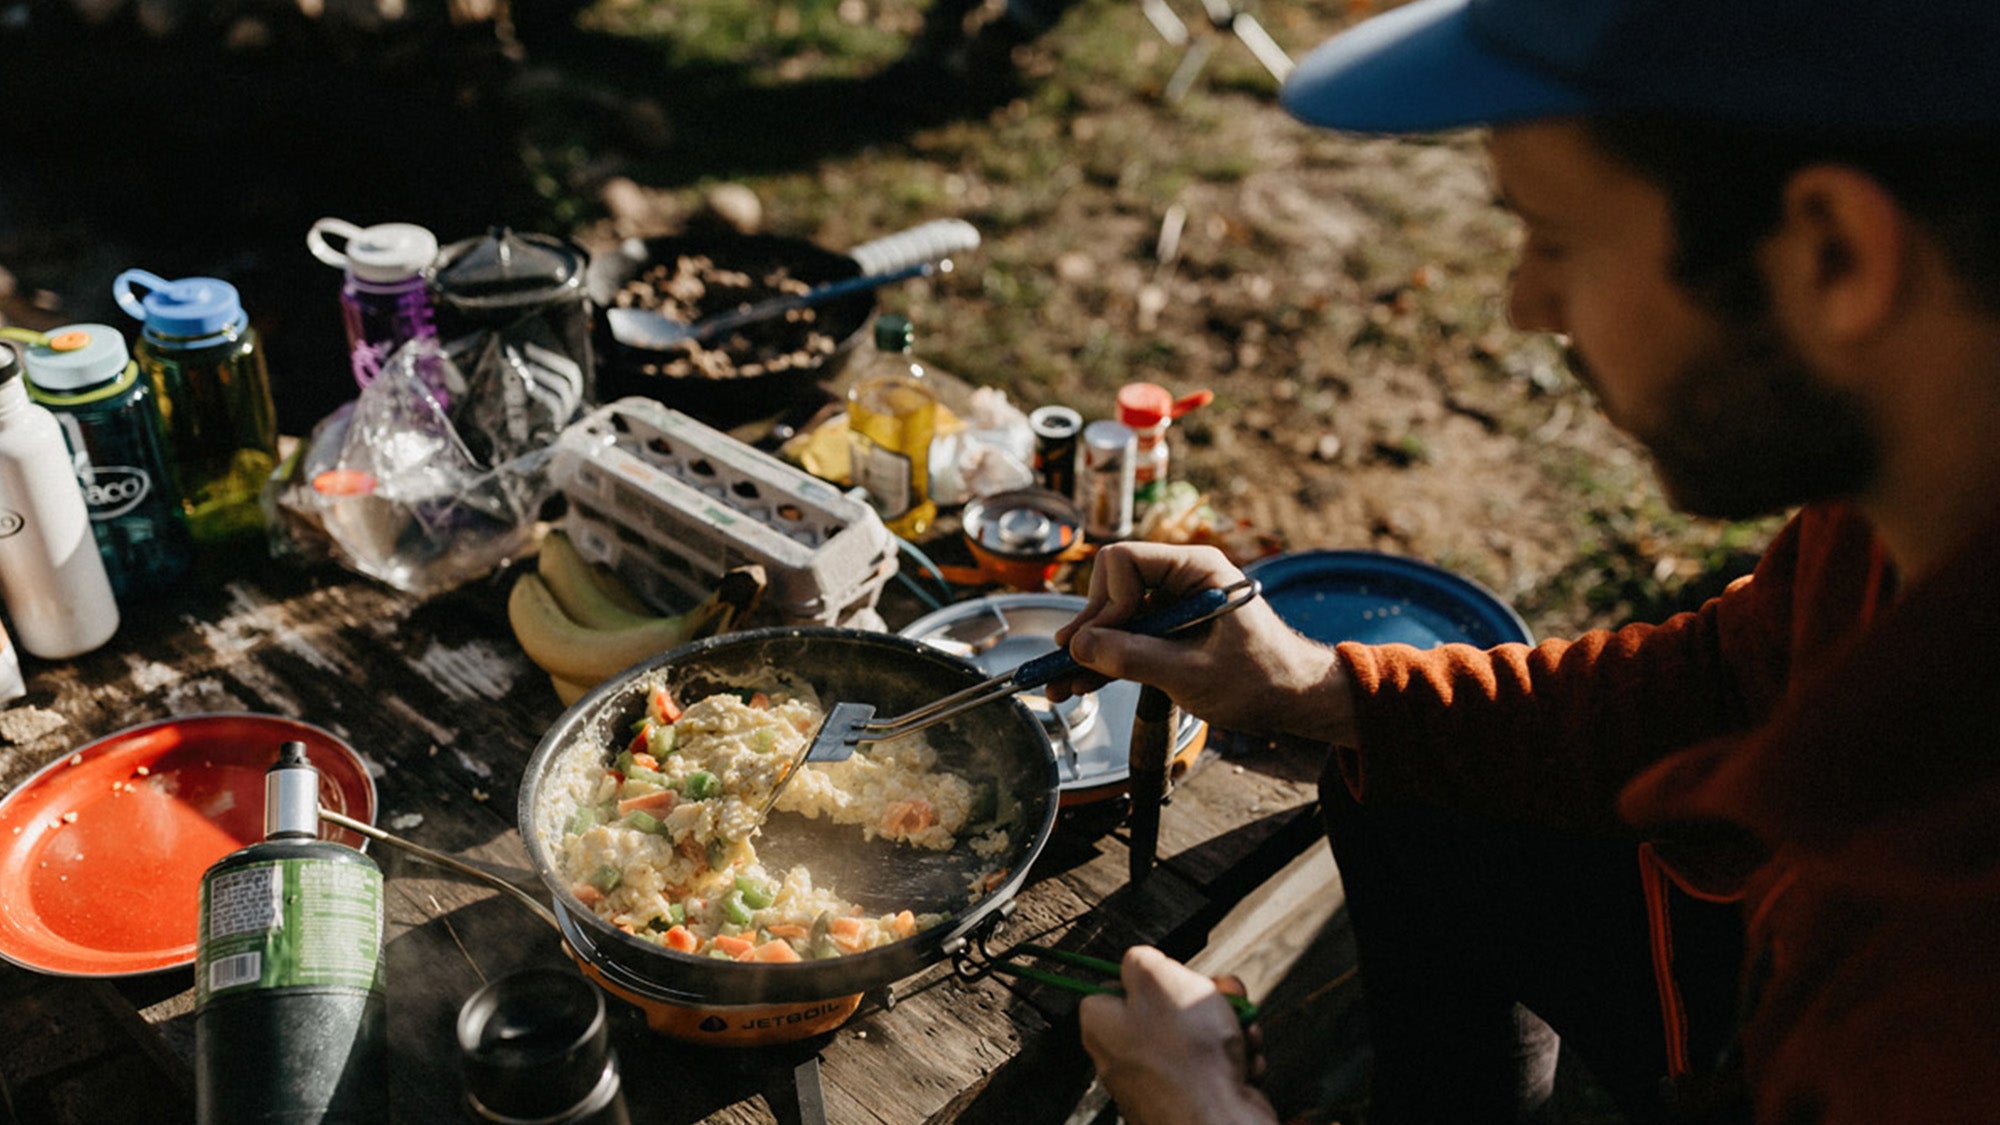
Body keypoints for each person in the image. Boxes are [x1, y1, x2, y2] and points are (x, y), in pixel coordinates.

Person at [1050, 0, 2000, 1122]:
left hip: (1771, 1010)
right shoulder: (1902, 515)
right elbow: (1731, 676)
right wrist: (1318, 686)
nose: (1521, 306)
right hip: (1756, 919)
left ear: (1833, 254)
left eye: (1554, 239)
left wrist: (1205, 1113)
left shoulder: (1936, 999)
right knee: (1410, 784)